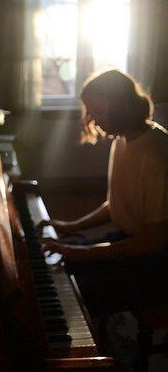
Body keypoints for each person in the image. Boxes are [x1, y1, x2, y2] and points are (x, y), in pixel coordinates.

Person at [38, 68, 168, 317]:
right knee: (64, 255)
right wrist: (70, 226)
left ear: (120, 107)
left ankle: (92, 351)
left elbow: (155, 240)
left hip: (156, 262)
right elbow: (117, 204)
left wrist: (87, 253)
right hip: (131, 243)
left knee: (75, 287)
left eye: (98, 112)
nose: (93, 121)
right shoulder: (122, 140)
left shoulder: (156, 155)